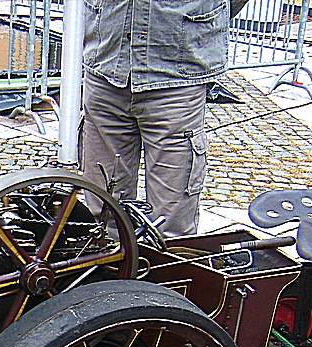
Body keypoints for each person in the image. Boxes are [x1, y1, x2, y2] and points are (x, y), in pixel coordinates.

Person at [82, 0, 230, 237]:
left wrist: (199, 18)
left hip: (177, 74)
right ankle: (110, 261)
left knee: (171, 226)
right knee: (102, 217)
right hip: (107, 62)